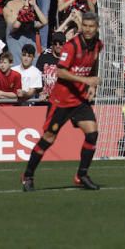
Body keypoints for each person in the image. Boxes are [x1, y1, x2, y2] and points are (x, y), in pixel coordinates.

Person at [22, 12, 103, 191]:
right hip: (61, 100)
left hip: (80, 99)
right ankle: (28, 175)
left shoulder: (98, 44)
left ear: (96, 28)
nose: (89, 30)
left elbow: (94, 63)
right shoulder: (72, 46)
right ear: (82, 27)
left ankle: (81, 175)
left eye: (92, 26)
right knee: (48, 139)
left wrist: (92, 85)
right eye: (86, 26)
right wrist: (86, 81)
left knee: (92, 133)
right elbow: (60, 72)